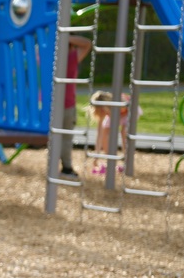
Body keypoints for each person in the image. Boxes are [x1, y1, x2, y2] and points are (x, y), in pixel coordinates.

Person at [60, 35, 92, 179]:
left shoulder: (50, 59)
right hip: (67, 104)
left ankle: (55, 165)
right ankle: (66, 168)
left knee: (56, 136)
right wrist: (67, 36)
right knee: (66, 137)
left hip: (53, 104)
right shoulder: (71, 59)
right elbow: (86, 44)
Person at [88, 90, 140, 176]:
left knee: (124, 132)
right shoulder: (105, 112)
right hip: (115, 114)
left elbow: (124, 114)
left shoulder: (118, 102)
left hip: (129, 112)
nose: (101, 113)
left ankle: (127, 162)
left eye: (100, 110)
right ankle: (110, 160)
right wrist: (96, 155)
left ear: (104, 107)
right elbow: (99, 134)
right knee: (105, 132)